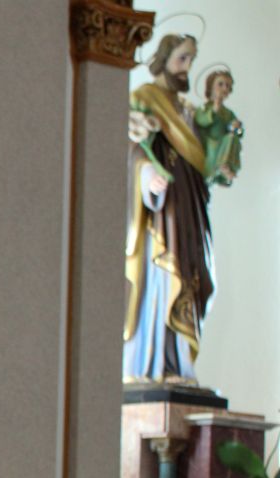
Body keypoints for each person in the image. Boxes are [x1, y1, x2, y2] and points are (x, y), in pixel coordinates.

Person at [123, 34, 214, 384]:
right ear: (163, 59)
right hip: (163, 213)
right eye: (182, 58)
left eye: (191, 60)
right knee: (163, 277)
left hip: (190, 209)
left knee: (192, 276)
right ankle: (152, 363)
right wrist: (147, 175)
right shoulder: (143, 99)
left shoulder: (188, 111)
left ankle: (179, 363)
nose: (187, 67)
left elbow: (201, 159)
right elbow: (131, 148)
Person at [195, 69, 243, 188]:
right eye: (220, 84)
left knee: (232, 139)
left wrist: (237, 127)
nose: (224, 88)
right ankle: (221, 168)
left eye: (228, 86)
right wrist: (214, 110)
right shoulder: (204, 108)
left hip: (225, 144)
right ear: (211, 87)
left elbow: (239, 132)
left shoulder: (228, 113)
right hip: (211, 145)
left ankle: (226, 169)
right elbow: (200, 121)